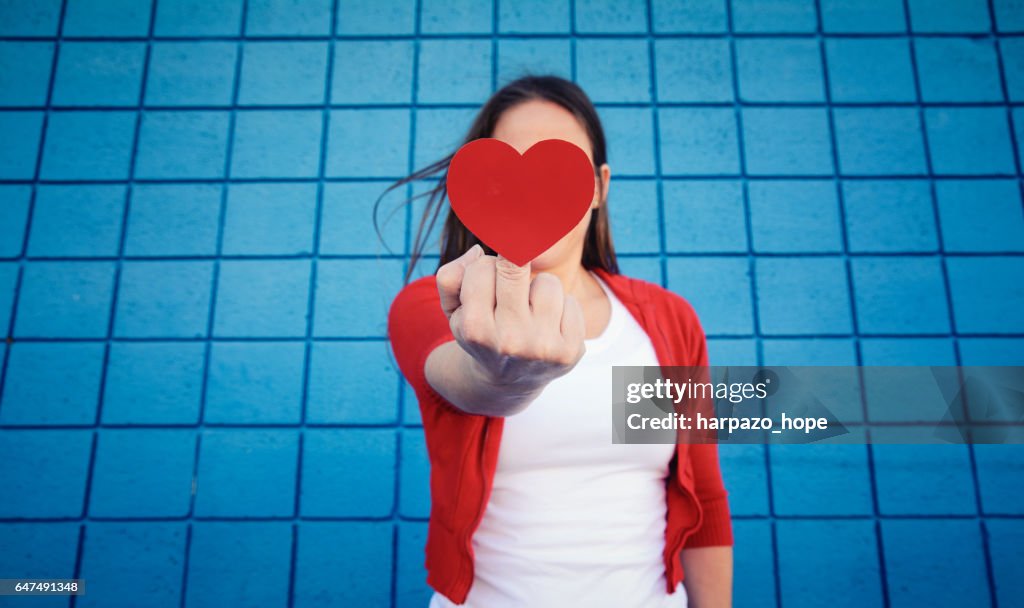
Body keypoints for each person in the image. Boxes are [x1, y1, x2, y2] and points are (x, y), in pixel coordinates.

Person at [385, 75, 733, 607]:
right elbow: (466, 380)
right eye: (510, 165)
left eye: (559, 165)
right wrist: (502, 380)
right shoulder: (432, 306)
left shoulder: (669, 320)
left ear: (598, 188)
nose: (532, 191)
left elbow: (703, 497)